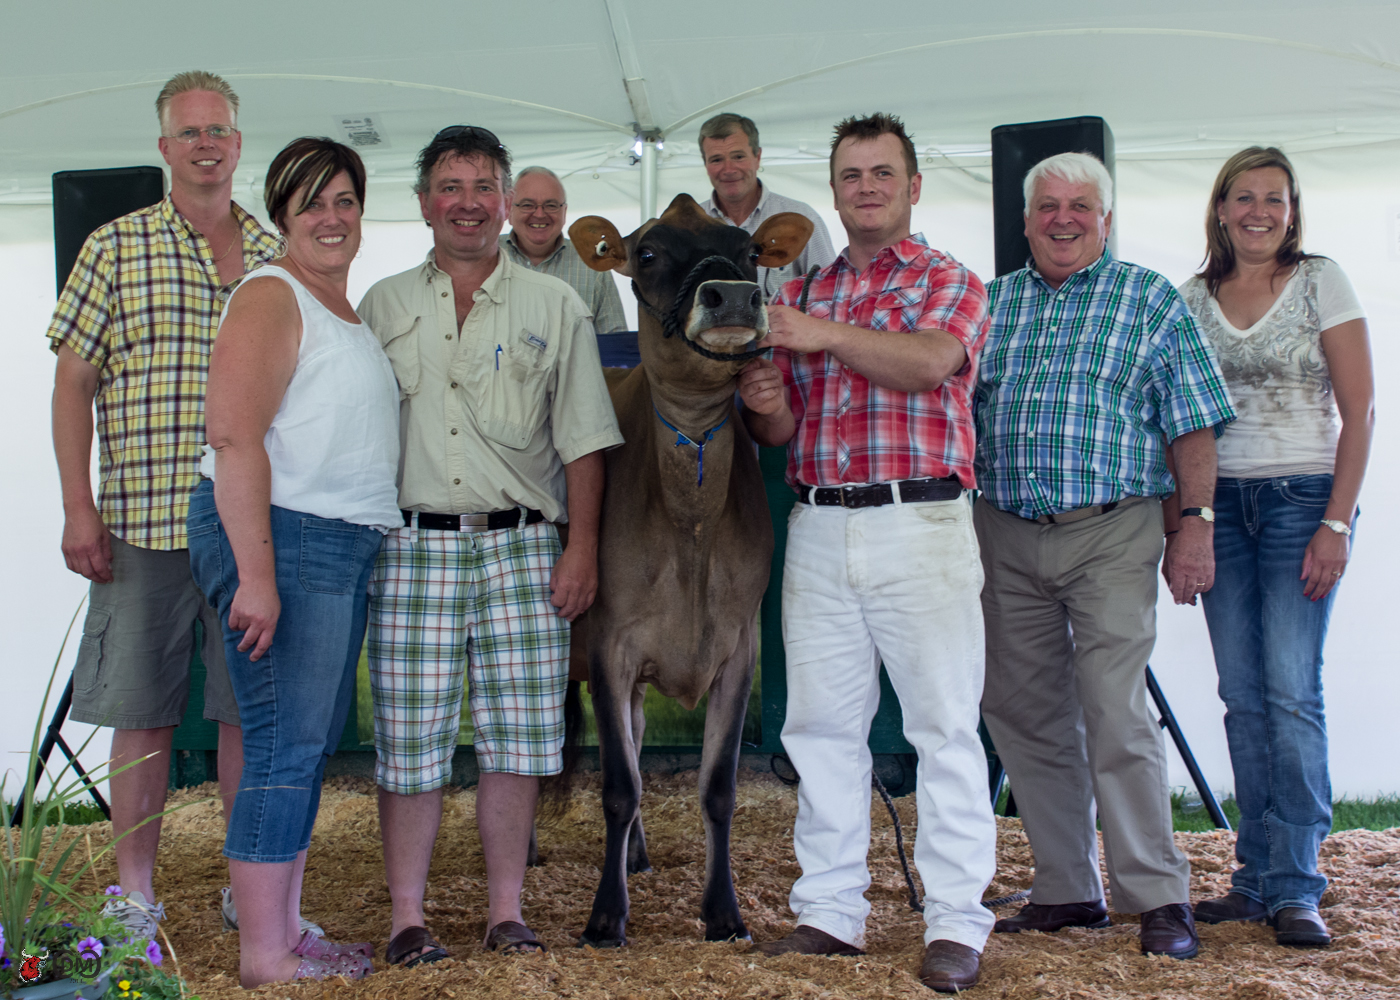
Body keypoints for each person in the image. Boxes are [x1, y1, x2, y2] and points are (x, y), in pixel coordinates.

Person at [740, 112, 997, 994]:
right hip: (817, 520)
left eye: (883, 173)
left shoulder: (948, 279)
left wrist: (822, 340)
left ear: (914, 186)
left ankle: (958, 923)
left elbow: (931, 362)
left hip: (919, 523)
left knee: (944, 728)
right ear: (836, 191)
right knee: (818, 728)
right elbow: (784, 430)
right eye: (851, 176)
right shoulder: (803, 294)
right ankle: (830, 912)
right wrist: (767, 399)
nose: (867, 188)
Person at [358, 125, 621, 964]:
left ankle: (507, 912)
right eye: (449, 185)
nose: (466, 202)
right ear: (426, 202)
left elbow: (584, 440)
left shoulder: (558, 305)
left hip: (523, 547)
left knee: (519, 739)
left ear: (504, 203)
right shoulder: (382, 304)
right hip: (413, 546)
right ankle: (408, 919)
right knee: (409, 742)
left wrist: (579, 552)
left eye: (482, 186)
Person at [973, 151, 1236, 961]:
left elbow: (1192, 423)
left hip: (1113, 527)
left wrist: (1193, 524)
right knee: (1021, 711)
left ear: (1106, 218)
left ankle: (1155, 894)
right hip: (1004, 529)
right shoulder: (989, 305)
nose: (1063, 218)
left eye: (1080, 205)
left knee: (1115, 708)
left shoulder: (1148, 299)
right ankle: (1065, 886)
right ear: (1024, 221)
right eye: (1047, 205)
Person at [46, 70, 277, 941]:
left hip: (249, 528)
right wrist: (78, 508)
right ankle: (135, 895)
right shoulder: (113, 247)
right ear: (164, 148)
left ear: (237, 143)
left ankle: (243, 886)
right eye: (190, 133)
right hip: (140, 521)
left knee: (241, 715)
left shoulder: (273, 251)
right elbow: (72, 386)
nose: (206, 144)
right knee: (140, 716)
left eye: (218, 130)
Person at [188, 136, 400, 986]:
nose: (331, 216)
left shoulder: (335, 308)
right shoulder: (270, 296)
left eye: (344, 199)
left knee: (301, 747)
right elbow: (235, 438)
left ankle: (285, 925)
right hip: (284, 537)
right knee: (282, 747)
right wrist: (257, 576)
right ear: (280, 214)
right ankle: (264, 954)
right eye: (311, 201)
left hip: (332, 542)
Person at [1178, 147, 1373, 948]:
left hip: (1302, 503)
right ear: (1221, 208)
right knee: (1244, 697)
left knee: (1293, 694)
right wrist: (1184, 519)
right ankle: (1254, 877)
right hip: (1221, 505)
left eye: (1275, 199)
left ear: (1293, 210)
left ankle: (1297, 884)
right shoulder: (1191, 298)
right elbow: (1181, 420)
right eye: (1244, 197)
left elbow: (1359, 411)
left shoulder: (1322, 279)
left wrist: (1336, 521)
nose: (1260, 211)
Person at [698, 113, 837, 299]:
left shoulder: (801, 218)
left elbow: (830, 294)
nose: (729, 169)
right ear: (705, 164)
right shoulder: (693, 225)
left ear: (758, 157)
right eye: (716, 159)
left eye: (738, 157)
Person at [497, 165, 628, 334]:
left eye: (550, 205)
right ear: (509, 210)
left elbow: (616, 344)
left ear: (564, 212)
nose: (539, 214)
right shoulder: (485, 256)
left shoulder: (592, 265)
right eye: (527, 205)